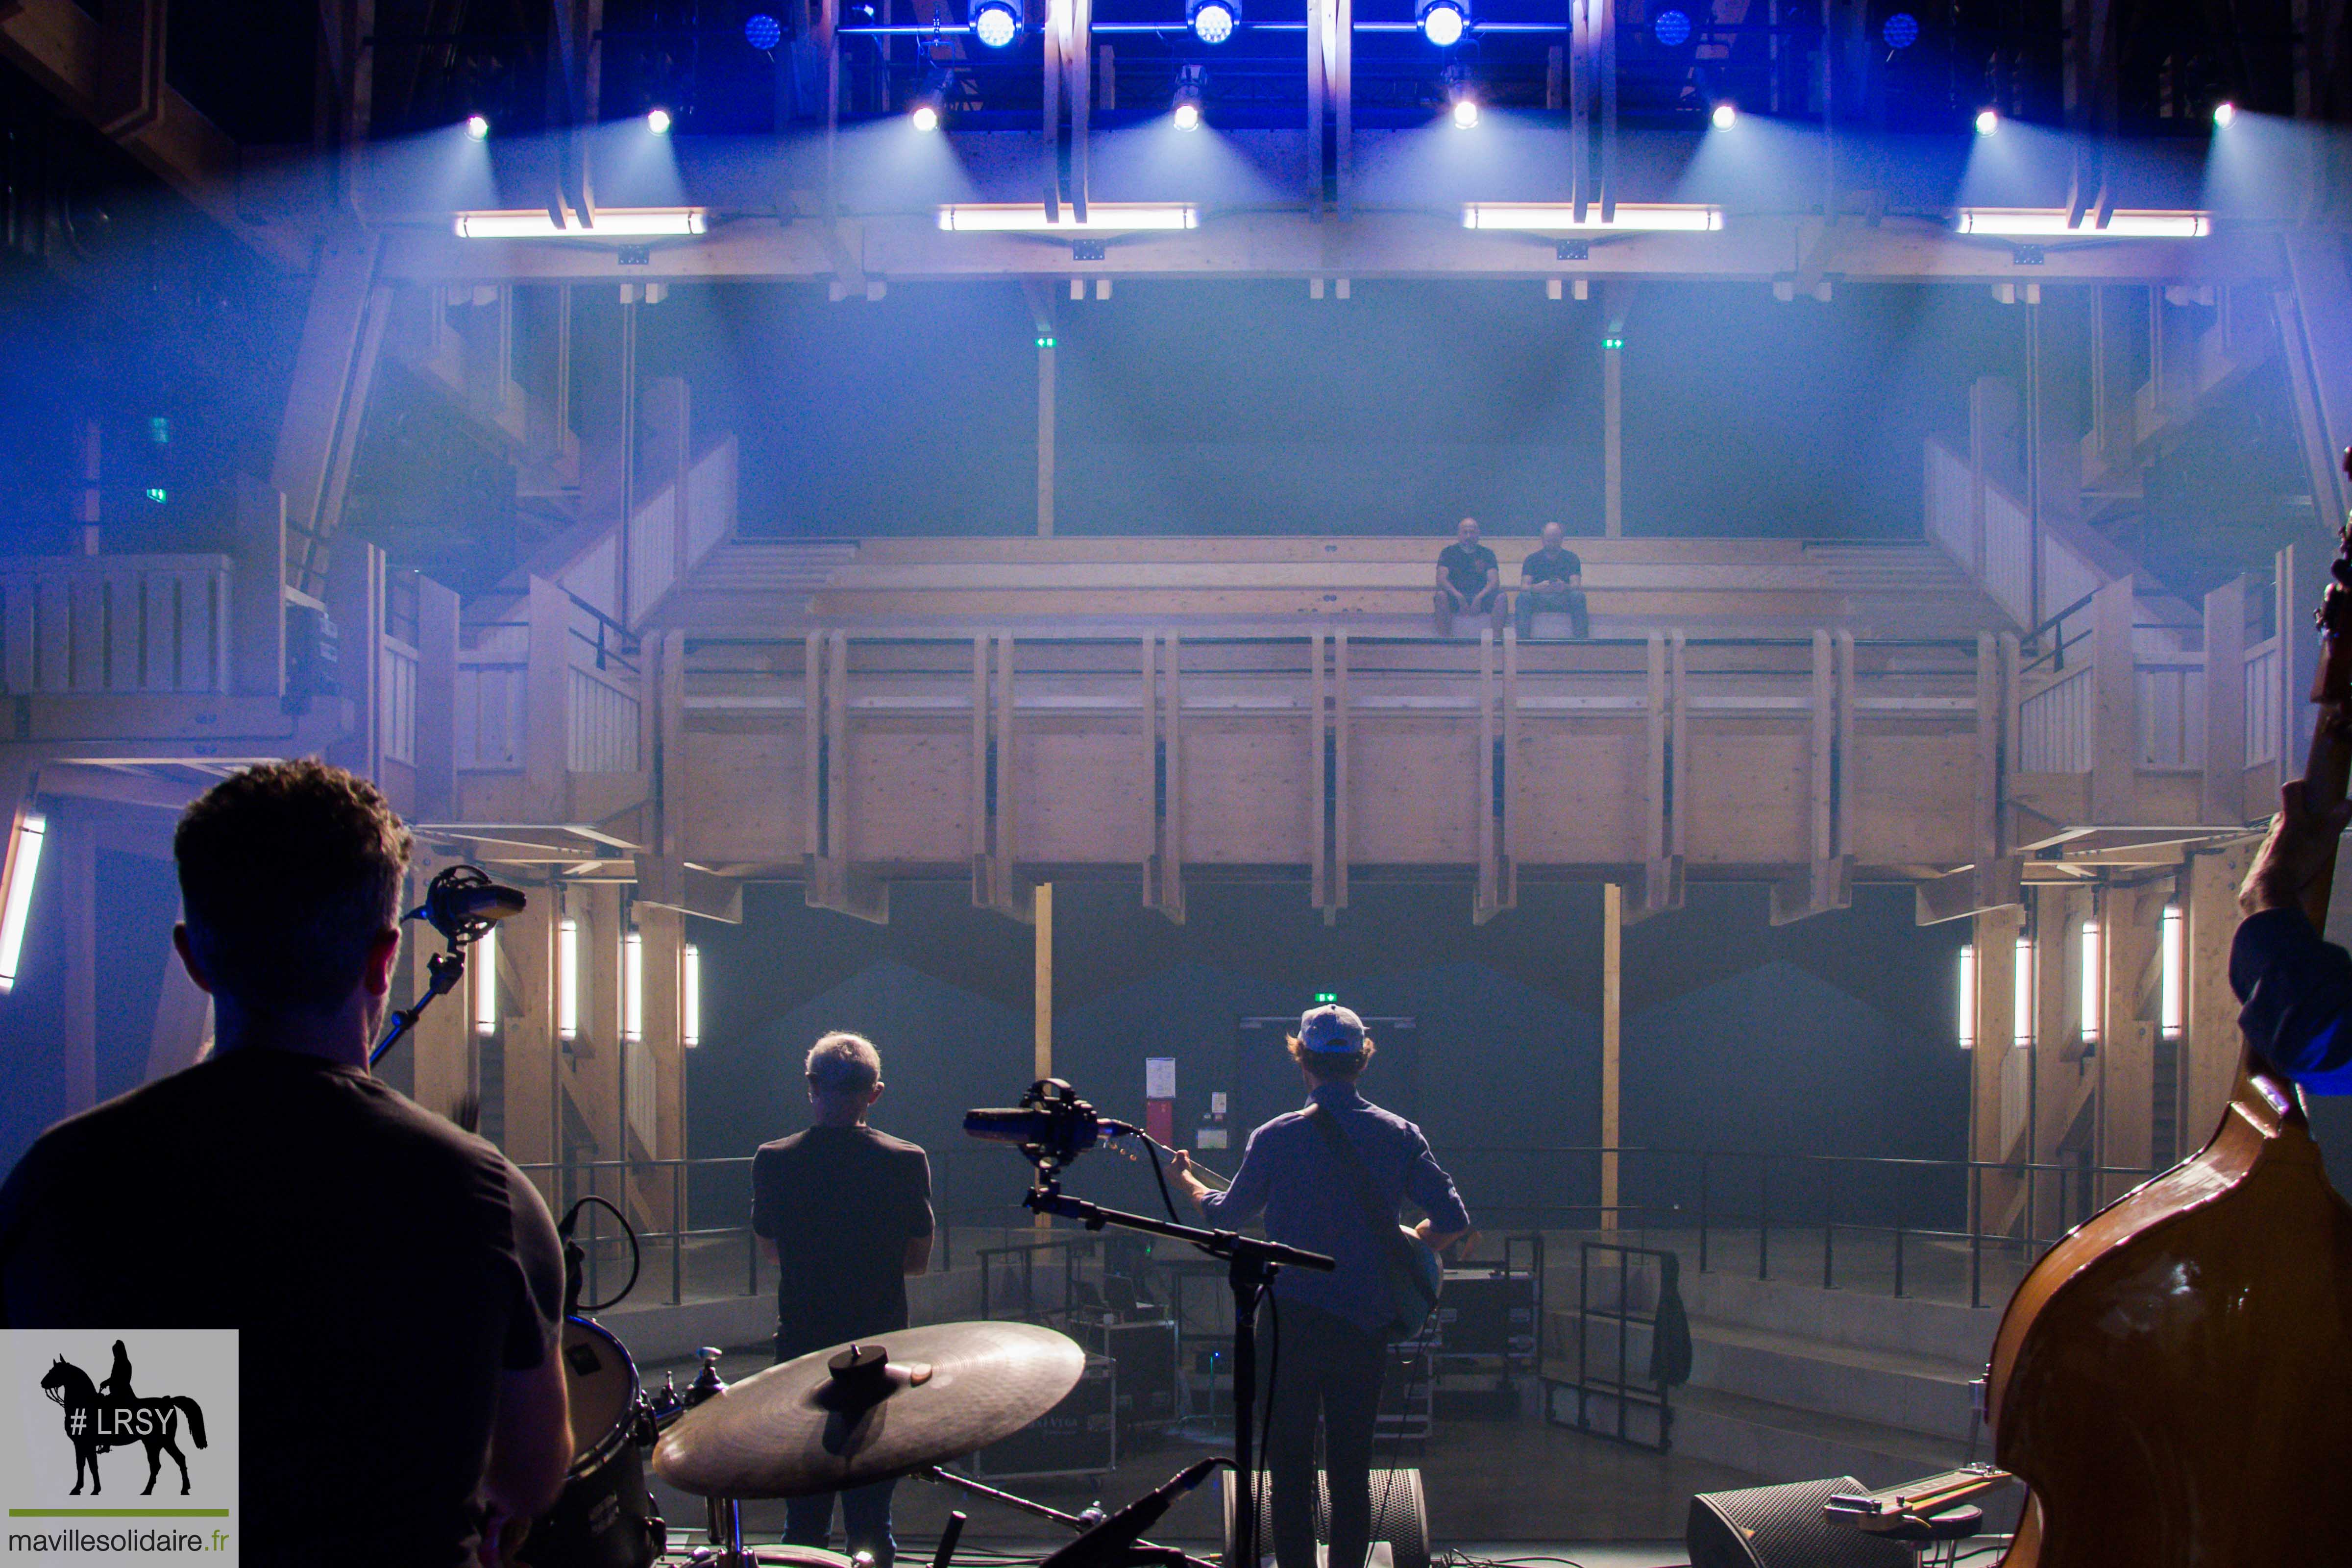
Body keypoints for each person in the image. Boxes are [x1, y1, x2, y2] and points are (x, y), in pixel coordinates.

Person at [0, 759, 570, 1568]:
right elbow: (529, 1474)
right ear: (384, 959)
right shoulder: (480, 1194)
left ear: (194, 957)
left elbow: (113, 1516)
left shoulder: (68, 1180)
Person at [1171, 1005, 1470, 1568]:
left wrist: (1187, 1179)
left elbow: (1225, 1215)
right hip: (1364, 1327)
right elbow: (1452, 1219)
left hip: (1291, 1327)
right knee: (1352, 1470)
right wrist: (1414, 1239)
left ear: (1302, 1060)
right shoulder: (1400, 1134)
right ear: (1361, 1061)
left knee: (1289, 1471)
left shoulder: (1276, 1136)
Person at [752, 1032, 935, 1568]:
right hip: (877, 1359)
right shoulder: (906, 1160)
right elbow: (917, 1261)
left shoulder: (774, 1159)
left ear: (811, 1085)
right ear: (875, 1093)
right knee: (873, 1523)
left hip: (803, 1354)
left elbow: (771, 1252)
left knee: (803, 1523)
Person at [1516, 522, 1591, 640]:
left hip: (1563, 599)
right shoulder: (1532, 559)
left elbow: (1576, 585)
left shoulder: (1571, 558)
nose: (1552, 543)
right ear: (1542, 539)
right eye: (1549, 539)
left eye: (1555, 539)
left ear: (1561, 539)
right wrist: (1538, 588)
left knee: (1578, 596)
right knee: (1523, 597)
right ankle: (1522, 641)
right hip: (1539, 600)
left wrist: (1564, 586)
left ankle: (1582, 641)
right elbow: (1524, 587)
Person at [1433, 517, 1503, 637]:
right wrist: (1459, 596)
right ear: (1459, 534)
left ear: (1478, 534)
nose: (1469, 536)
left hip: (1481, 596)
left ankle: (1496, 641)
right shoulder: (1448, 552)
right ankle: (1444, 640)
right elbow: (1441, 580)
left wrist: (1479, 598)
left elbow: (1495, 582)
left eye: (1472, 532)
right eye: (1465, 532)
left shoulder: (1487, 553)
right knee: (1440, 595)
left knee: (1501, 597)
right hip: (1455, 596)